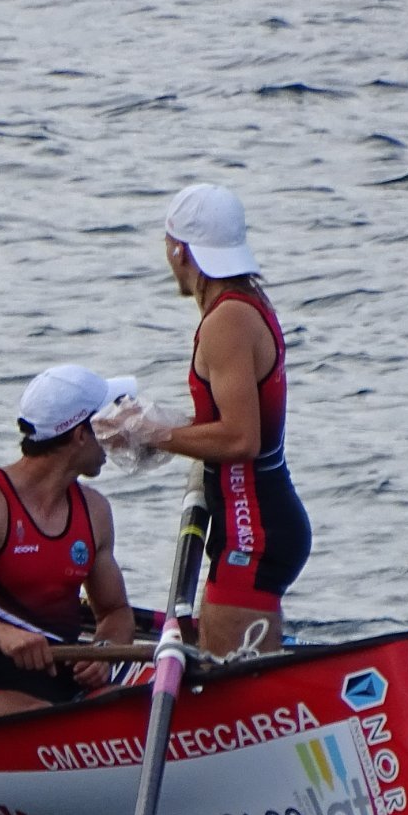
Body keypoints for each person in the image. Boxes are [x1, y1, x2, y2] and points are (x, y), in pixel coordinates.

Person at [120, 183, 311, 653]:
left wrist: (155, 434)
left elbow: (241, 439)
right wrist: (156, 427)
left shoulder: (226, 321)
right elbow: (234, 422)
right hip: (259, 516)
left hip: (252, 526)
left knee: (242, 692)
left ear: (179, 251)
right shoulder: (247, 303)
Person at [0, 367, 135, 717]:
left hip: (67, 682)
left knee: (137, 709)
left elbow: (116, 611)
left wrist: (103, 650)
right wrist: (2, 635)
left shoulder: (95, 510)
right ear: (79, 435)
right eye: (109, 419)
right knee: (46, 715)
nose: (119, 432)